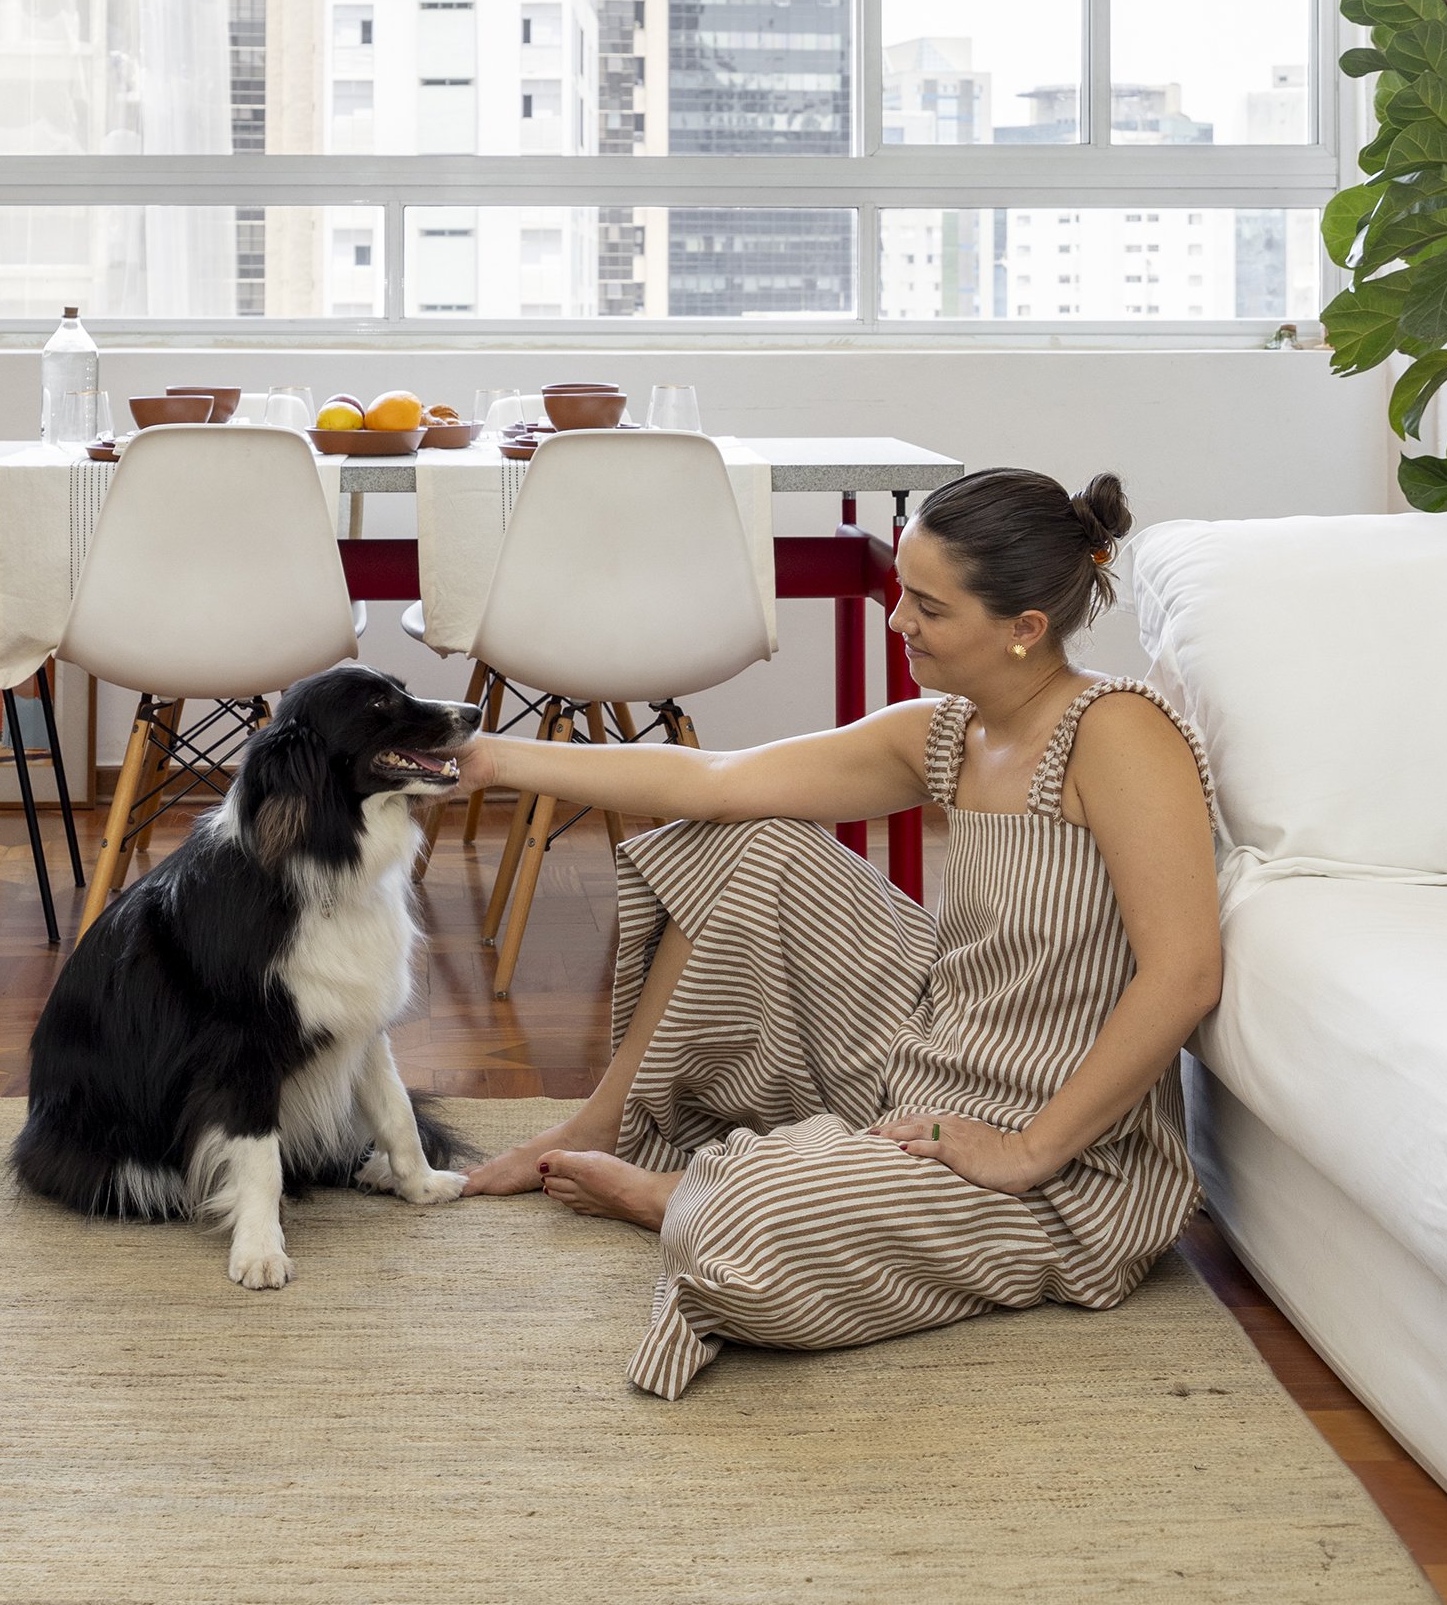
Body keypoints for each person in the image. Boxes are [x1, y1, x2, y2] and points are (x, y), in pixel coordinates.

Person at [456, 467, 1221, 1401]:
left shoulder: (1119, 735)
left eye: (929, 608)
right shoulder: (948, 733)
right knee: (752, 844)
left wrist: (1026, 1151)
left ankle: (680, 1193)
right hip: (928, 1053)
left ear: (1023, 630)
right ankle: (607, 1122)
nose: (898, 621)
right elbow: (717, 781)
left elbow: (1183, 976)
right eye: (904, 592)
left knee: (739, 1230)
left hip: (1062, 1154)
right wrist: (486, 758)